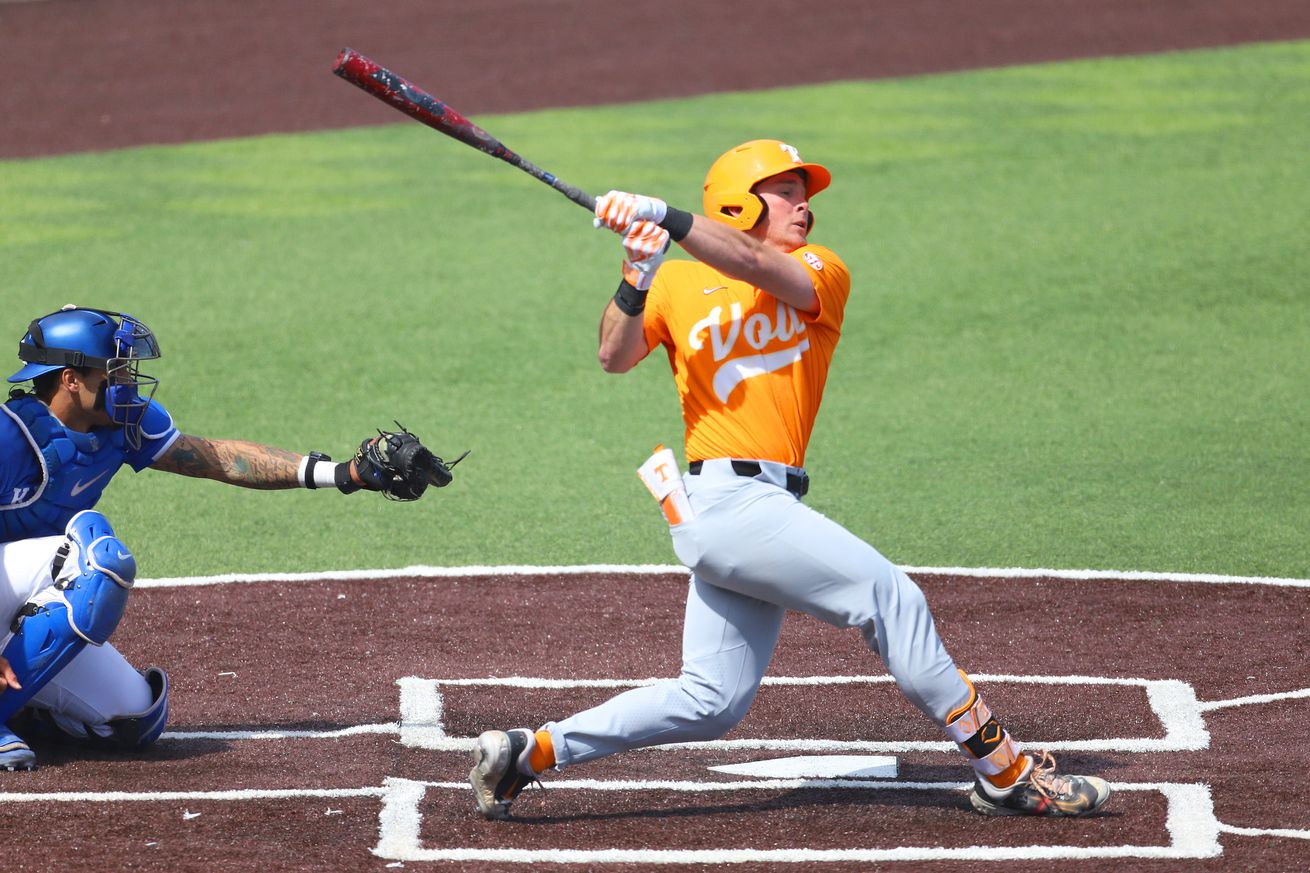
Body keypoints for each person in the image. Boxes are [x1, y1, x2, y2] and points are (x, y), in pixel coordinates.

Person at [468, 140, 1110, 819]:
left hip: (757, 507)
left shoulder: (819, 269)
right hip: (724, 501)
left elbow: (750, 263)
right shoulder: (677, 283)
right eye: (787, 192)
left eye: (805, 195)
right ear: (738, 203)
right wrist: (636, 273)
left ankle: (527, 753)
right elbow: (613, 353)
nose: (805, 206)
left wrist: (666, 215)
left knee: (711, 700)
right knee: (892, 599)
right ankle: (1003, 770)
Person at [0, 305, 456, 770]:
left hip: (25, 596)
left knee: (134, 718)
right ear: (71, 379)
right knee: (98, 559)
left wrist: (343, 473)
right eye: (115, 373)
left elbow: (217, 458)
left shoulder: (121, 425)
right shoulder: (9, 437)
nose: (128, 383)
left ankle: (22, 707)